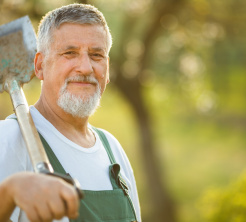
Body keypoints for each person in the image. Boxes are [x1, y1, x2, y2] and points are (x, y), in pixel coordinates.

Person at [0, 3, 141, 222]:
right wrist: (8, 192)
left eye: (96, 55)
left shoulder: (112, 148)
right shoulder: (8, 138)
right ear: (39, 66)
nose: (85, 67)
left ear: (108, 68)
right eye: (70, 53)